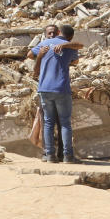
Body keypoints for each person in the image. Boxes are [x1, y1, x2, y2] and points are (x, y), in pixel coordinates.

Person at [27, 24, 82, 163]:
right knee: (65, 123)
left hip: (44, 88)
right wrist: (65, 47)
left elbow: (29, 55)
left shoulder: (44, 44)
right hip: (61, 88)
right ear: (70, 36)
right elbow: (75, 60)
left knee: (48, 123)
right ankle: (68, 156)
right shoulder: (70, 46)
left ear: (58, 32)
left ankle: (49, 155)